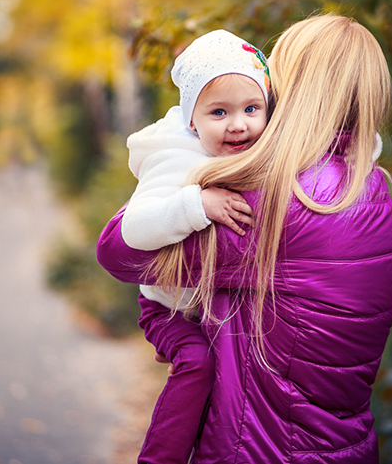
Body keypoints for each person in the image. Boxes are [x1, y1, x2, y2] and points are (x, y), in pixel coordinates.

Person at [97, 13, 392, 463]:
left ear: (293, 90)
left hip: (263, 450)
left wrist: (182, 164)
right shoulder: (374, 189)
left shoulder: (283, 199)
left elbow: (118, 252)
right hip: (342, 445)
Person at [120, 29, 271, 464]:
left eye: (251, 108)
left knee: (232, 380)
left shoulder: (259, 150)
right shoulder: (175, 159)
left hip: (210, 303)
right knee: (198, 364)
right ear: (192, 120)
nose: (238, 124)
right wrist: (196, 204)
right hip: (167, 307)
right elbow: (135, 231)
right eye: (219, 111)